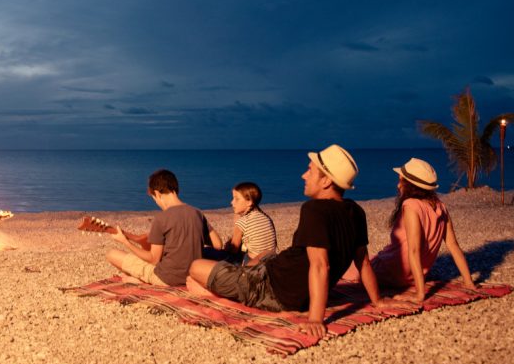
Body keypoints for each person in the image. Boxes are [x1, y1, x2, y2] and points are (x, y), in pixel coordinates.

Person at [188, 144, 392, 339]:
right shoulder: (355, 211)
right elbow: (363, 263)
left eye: (310, 171)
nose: (304, 175)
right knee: (254, 261)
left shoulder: (315, 210)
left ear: (326, 181)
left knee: (194, 267)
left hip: (269, 289)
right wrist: (377, 300)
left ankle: (221, 290)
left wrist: (315, 319)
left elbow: (321, 265)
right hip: (274, 270)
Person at [357, 158, 476, 302]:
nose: (398, 185)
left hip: (391, 271)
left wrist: (420, 294)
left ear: (409, 185)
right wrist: (468, 282)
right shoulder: (441, 207)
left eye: (401, 180)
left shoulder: (411, 205)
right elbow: (454, 246)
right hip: (412, 277)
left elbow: (413, 250)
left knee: (354, 268)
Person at [106, 168, 222, 286]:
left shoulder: (161, 218)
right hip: (193, 276)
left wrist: (125, 242)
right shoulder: (197, 213)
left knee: (112, 254)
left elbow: (153, 260)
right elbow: (218, 244)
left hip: (166, 279)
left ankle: (142, 281)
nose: (156, 202)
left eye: (154, 198)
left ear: (157, 193)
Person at [224, 181, 277, 265]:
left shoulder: (243, 222)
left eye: (236, 199)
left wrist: (226, 246)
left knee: (228, 257)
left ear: (249, 202)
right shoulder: (265, 217)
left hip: (253, 263)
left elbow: (234, 249)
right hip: (272, 261)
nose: (232, 202)